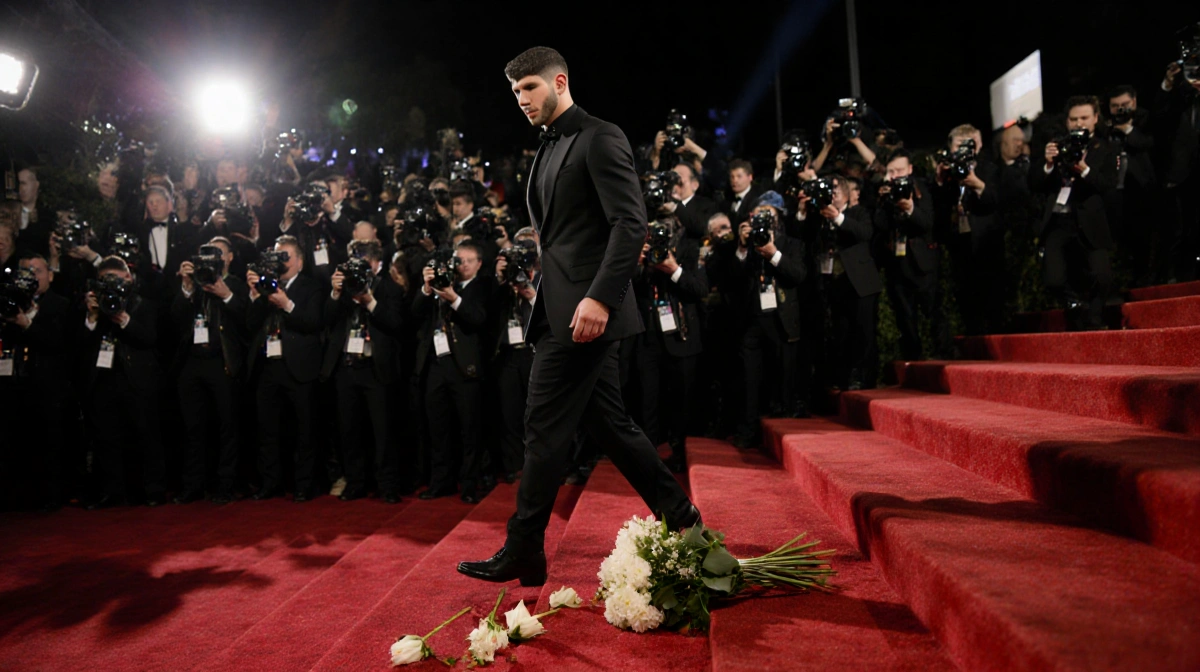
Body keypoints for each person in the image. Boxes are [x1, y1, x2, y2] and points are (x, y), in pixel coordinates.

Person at [458, 46, 701, 586]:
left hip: (585, 314)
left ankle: (524, 547)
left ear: (559, 81)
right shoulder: (545, 148)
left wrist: (600, 297)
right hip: (559, 307)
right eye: (515, 92)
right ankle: (683, 517)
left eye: (530, 89)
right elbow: (565, 237)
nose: (521, 100)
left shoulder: (599, 135)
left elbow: (630, 223)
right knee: (610, 426)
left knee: (542, 425)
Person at [324, 240, 406, 503]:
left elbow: (396, 323)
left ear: (374, 263)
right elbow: (325, 320)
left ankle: (387, 485)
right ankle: (355, 482)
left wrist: (370, 301)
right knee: (349, 430)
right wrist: (336, 294)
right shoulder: (344, 288)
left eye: (362, 263)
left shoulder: (389, 287)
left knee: (383, 431)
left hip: (376, 369)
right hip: (346, 366)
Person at [245, 235, 326, 502]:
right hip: (268, 365)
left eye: (286, 256)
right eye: (277, 256)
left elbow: (313, 322)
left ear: (300, 262)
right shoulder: (266, 286)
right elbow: (250, 324)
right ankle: (270, 483)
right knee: (267, 429)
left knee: (305, 430)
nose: (281, 262)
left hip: (300, 367)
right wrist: (255, 295)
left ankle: (304, 484)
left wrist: (287, 305)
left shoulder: (311, 287)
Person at [172, 237, 247, 504]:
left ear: (228, 258)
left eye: (217, 253)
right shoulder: (195, 284)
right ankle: (193, 485)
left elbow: (247, 318)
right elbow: (174, 318)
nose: (210, 259)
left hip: (222, 362)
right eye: (205, 254)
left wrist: (225, 293)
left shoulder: (236, 284)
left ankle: (225, 486)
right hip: (192, 363)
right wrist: (186, 286)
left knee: (227, 427)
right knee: (193, 427)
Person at [1033, 95, 1118, 330]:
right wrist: (1048, 164)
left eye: (1084, 118)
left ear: (1095, 119)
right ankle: (1075, 307)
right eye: (1073, 119)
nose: (1079, 123)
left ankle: (1094, 318)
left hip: (1090, 219)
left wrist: (1084, 170)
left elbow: (1108, 185)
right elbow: (1034, 184)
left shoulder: (1107, 147)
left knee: (1102, 276)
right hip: (1058, 220)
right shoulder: (1056, 145)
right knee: (1053, 279)